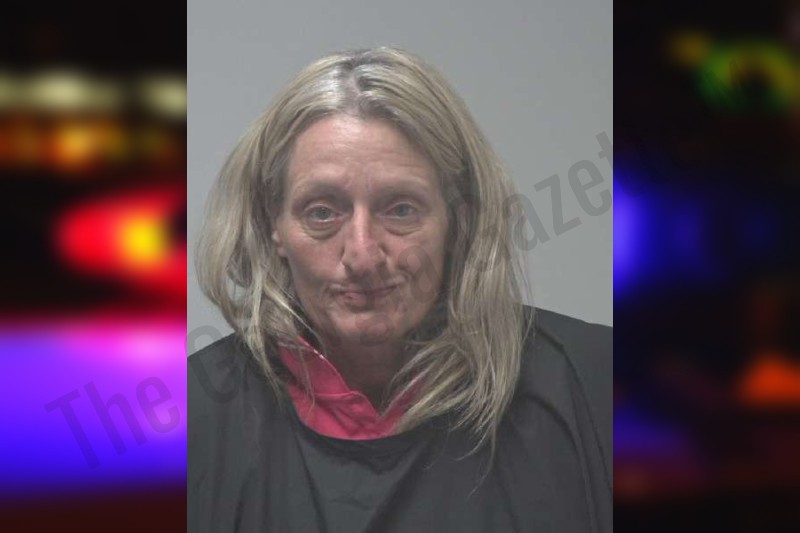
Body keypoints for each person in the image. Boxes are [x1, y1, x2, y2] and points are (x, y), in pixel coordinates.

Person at [188, 46, 611, 532]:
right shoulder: (186, 424)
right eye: (322, 212)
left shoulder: (597, 384)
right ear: (273, 225)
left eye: (401, 209)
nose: (363, 255)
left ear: (459, 220)